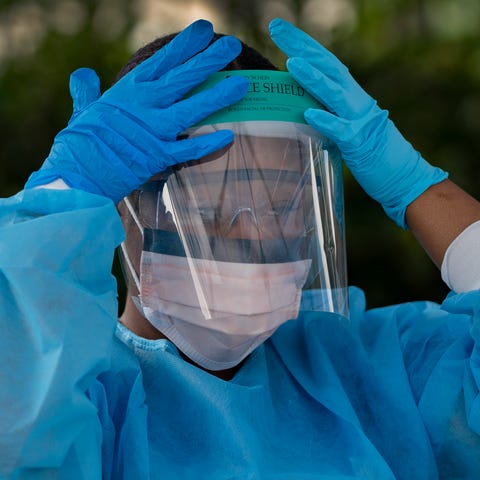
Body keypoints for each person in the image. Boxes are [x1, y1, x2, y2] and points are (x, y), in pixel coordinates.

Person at [1, 17, 479, 479]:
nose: (256, 233)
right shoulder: (80, 398)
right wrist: (63, 196)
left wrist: (417, 188)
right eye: (216, 205)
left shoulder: (377, 374)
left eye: (282, 202)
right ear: (124, 210)